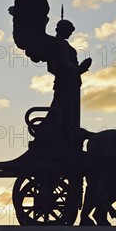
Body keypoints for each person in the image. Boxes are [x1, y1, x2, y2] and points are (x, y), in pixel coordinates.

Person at [34, 19, 91, 151]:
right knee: (68, 110)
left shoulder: (55, 44)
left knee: (63, 107)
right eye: (69, 31)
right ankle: (66, 138)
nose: (70, 34)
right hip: (68, 83)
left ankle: (61, 135)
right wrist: (79, 69)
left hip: (65, 81)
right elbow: (65, 64)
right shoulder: (62, 44)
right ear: (63, 30)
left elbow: (54, 67)